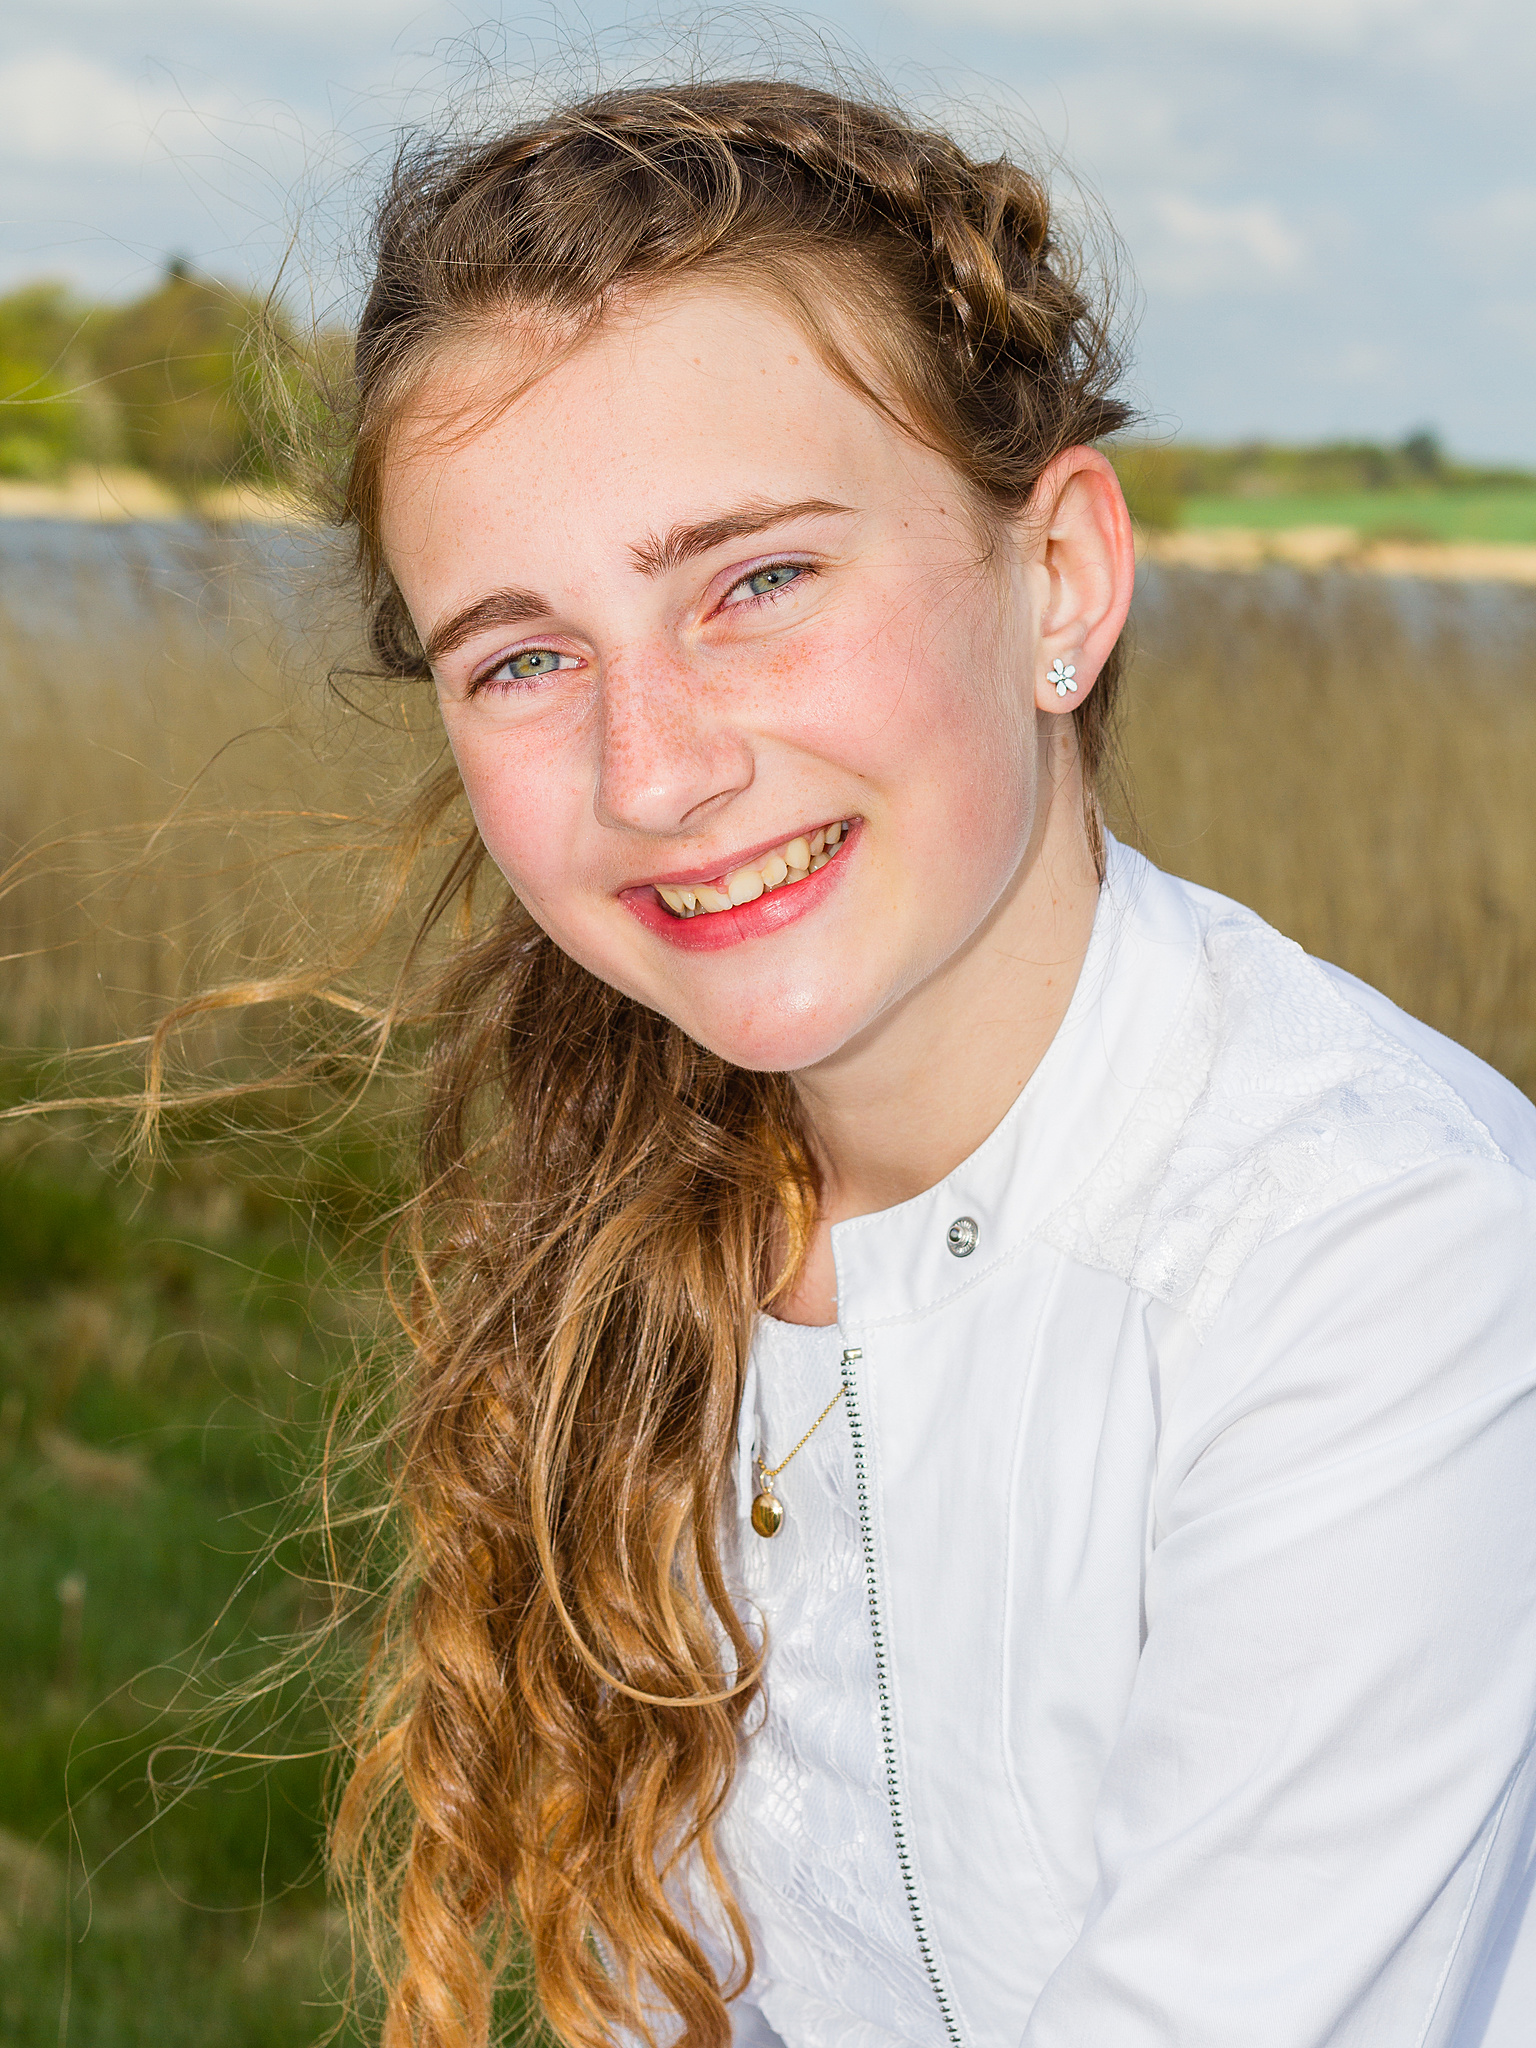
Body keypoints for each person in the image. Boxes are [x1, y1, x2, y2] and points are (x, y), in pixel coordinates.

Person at [319, 76, 1536, 2048]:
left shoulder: (1381, 1260)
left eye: (758, 581)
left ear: (1056, 577)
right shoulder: (642, 1221)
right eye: (525, 656)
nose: (655, 771)